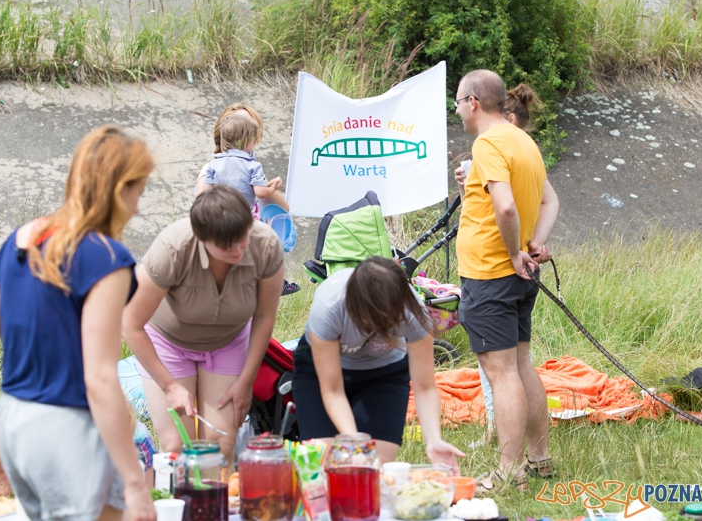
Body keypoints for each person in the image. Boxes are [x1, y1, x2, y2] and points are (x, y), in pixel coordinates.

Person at [0, 125, 156, 521]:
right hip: (66, 430)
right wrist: (136, 483)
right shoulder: (106, 258)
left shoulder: (21, 240)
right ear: (120, 190)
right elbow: (99, 379)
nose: (139, 205)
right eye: (139, 191)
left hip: (14, 423)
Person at [122, 184, 285, 465]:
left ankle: (215, 507)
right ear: (201, 237)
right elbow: (131, 324)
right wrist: (169, 385)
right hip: (168, 342)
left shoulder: (266, 246)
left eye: (241, 239)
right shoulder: (172, 248)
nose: (236, 249)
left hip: (227, 342)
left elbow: (264, 316)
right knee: (177, 448)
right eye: (225, 245)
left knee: (219, 445)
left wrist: (246, 380)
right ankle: (181, 507)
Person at [454, 70, 559, 492]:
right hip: (517, 275)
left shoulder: (489, 142)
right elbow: (551, 199)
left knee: (502, 375)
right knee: (520, 364)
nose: (457, 111)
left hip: (491, 273)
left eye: (458, 102)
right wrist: (536, 245)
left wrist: (517, 250)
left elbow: (506, 208)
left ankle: (508, 471)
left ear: (474, 101)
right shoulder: (523, 141)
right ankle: (539, 459)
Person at [291, 256, 466, 472]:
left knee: (375, 466)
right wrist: (355, 444)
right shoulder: (329, 305)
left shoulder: (413, 312)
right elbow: (333, 390)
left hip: (384, 373)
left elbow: (425, 386)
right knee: (326, 464)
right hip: (321, 374)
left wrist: (434, 440)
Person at [196, 103, 299, 296]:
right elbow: (203, 200)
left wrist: (268, 188)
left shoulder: (239, 167)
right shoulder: (220, 167)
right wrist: (266, 189)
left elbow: (284, 207)